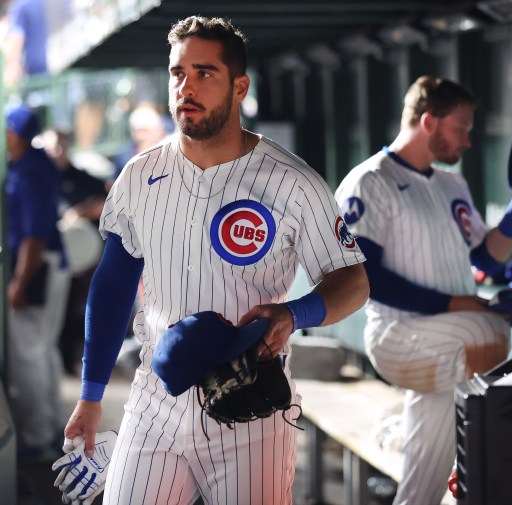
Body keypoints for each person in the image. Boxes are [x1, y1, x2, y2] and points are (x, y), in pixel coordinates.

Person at [62, 15, 369, 504]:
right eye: (177, 72)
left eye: (204, 73)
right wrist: (90, 395)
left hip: (250, 403)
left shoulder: (292, 182)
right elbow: (114, 283)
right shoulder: (139, 176)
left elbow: (353, 281)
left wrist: (294, 313)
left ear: (239, 86)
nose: (187, 86)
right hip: (156, 401)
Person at [335, 76, 512, 505]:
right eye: (462, 128)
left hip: (446, 343)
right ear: (428, 122)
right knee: (487, 334)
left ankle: (405, 434)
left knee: (424, 486)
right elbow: (367, 278)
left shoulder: (452, 185)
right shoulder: (368, 181)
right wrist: (458, 304)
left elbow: (489, 258)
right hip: (400, 335)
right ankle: (397, 431)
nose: (469, 141)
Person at [5, 105, 71, 460]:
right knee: (42, 349)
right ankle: (50, 428)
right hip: (49, 262)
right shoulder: (35, 164)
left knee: (28, 353)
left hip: (37, 265)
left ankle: (37, 437)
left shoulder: (29, 170)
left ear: (13, 134)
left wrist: (19, 282)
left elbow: (33, 237)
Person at [39, 127, 108, 375]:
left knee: (77, 310)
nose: (55, 151)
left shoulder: (81, 178)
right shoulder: (38, 177)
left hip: (80, 258)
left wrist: (81, 211)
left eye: (60, 145)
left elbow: (106, 200)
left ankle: (71, 361)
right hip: (46, 257)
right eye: (50, 146)